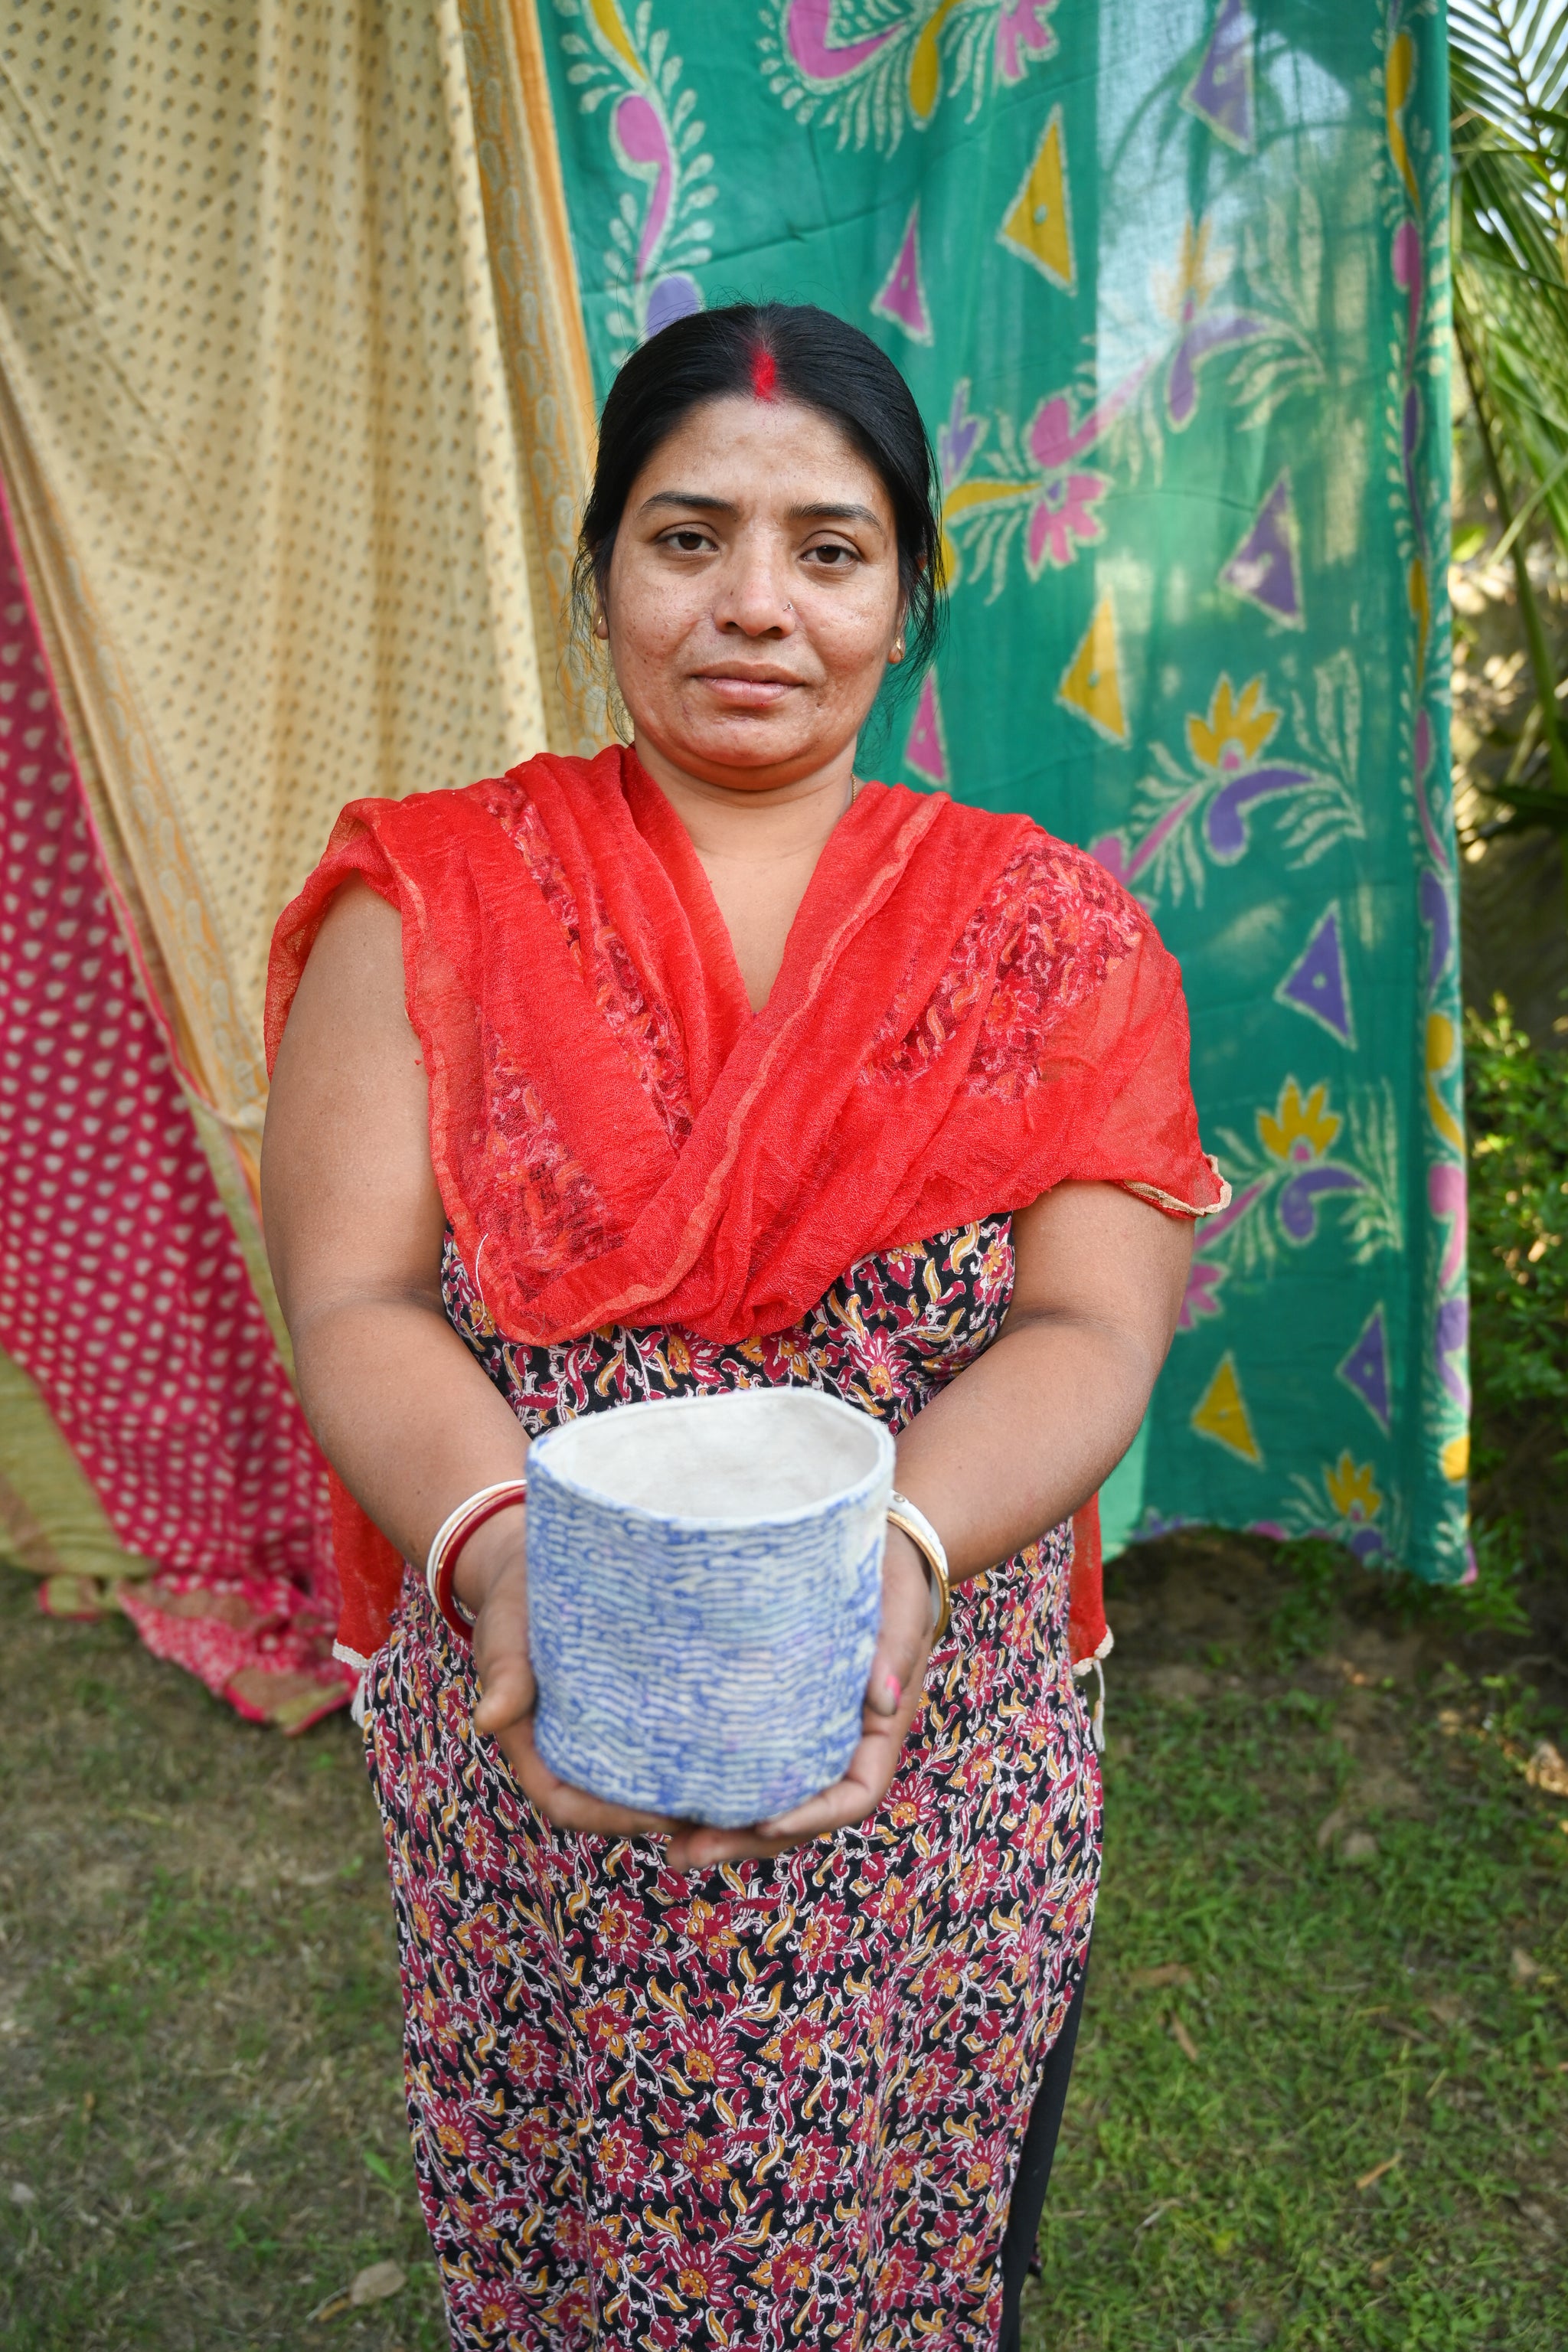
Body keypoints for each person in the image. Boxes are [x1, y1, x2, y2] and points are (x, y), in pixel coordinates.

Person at [261, 302, 1224, 2352]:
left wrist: (897, 1559)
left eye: (830, 549)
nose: (756, 604)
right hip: (538, 1730)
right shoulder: (427, 905)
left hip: (929, 1740)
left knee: (894, 2241)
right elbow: (353, 1295)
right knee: (579, 2237)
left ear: (910, 599)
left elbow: (1089, 1326)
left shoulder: (1053, 940)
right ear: (600, 568)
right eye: (688, 538)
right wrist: (512, 1568)